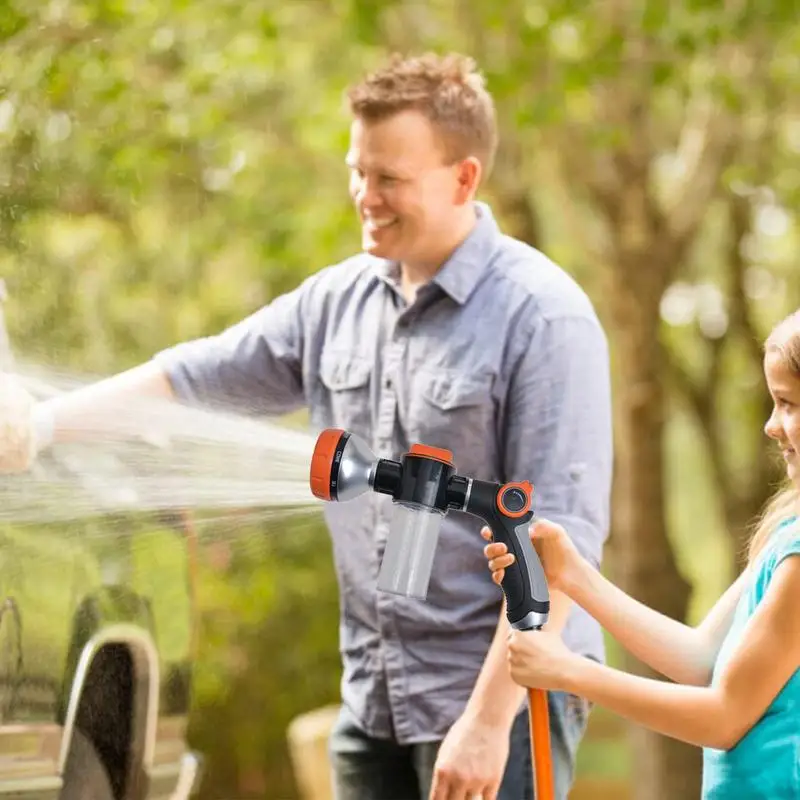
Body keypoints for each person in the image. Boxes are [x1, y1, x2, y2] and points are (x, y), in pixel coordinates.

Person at [0, 52, 613, 800]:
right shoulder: (333, 304)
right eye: (357, 171)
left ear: (464, 178)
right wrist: (41, 425)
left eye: (390, 179)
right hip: (375, 703)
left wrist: (488, 723)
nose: (365, 195)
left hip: (508, 705)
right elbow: (189, 378)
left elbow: (561, 547)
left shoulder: (542, 318)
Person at [483, 307, 800, 799]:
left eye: (788, 404)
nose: (772, 426)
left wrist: (567, 669)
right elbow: (702, 659)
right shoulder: (789, 531)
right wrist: (573, 575)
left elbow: (724, 717)